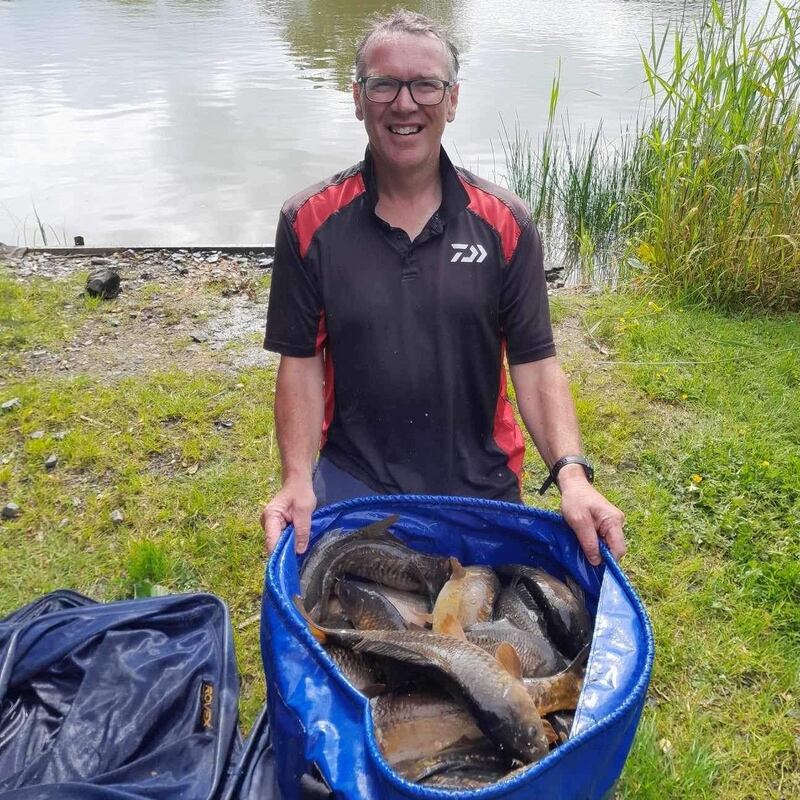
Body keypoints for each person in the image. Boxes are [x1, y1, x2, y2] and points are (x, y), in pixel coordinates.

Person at [260, 9, 625, 566]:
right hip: (357, 480)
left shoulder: (506, 223)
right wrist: (294, 479)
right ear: (358, 98)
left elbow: (535, 364)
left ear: (451, 100)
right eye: (383, 84)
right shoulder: (308, 222)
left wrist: (572, 475)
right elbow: (302, 363)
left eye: (425, 85)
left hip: (479, 481)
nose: (404, 104)